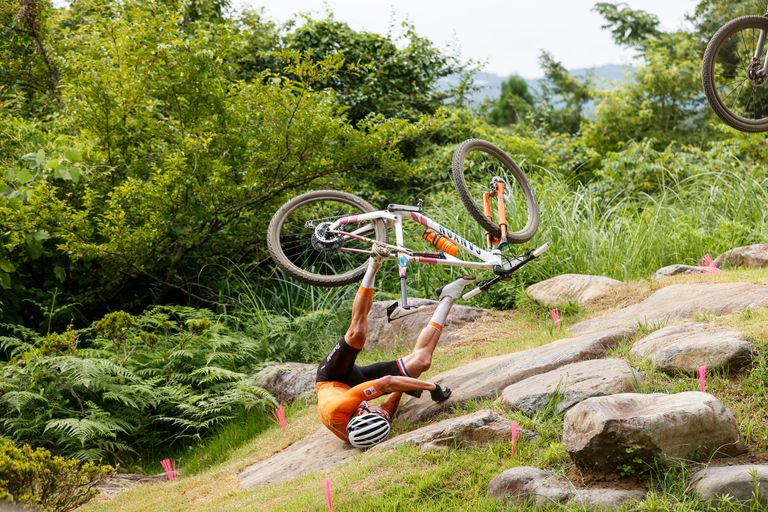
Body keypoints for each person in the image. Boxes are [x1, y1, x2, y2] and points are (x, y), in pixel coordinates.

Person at [315, 244, 476, 448]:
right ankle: (448, 296)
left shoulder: (338, 409)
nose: (377, 411)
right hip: (356, 385)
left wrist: (432, 387)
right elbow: (389, 400)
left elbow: (387, 382)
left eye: (374, 412)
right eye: (380, 415)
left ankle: (374, 263)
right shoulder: (369, 429)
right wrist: (407, 381)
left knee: (358, 334)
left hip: (332, 378)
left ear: (360, 414)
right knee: (421, 361)